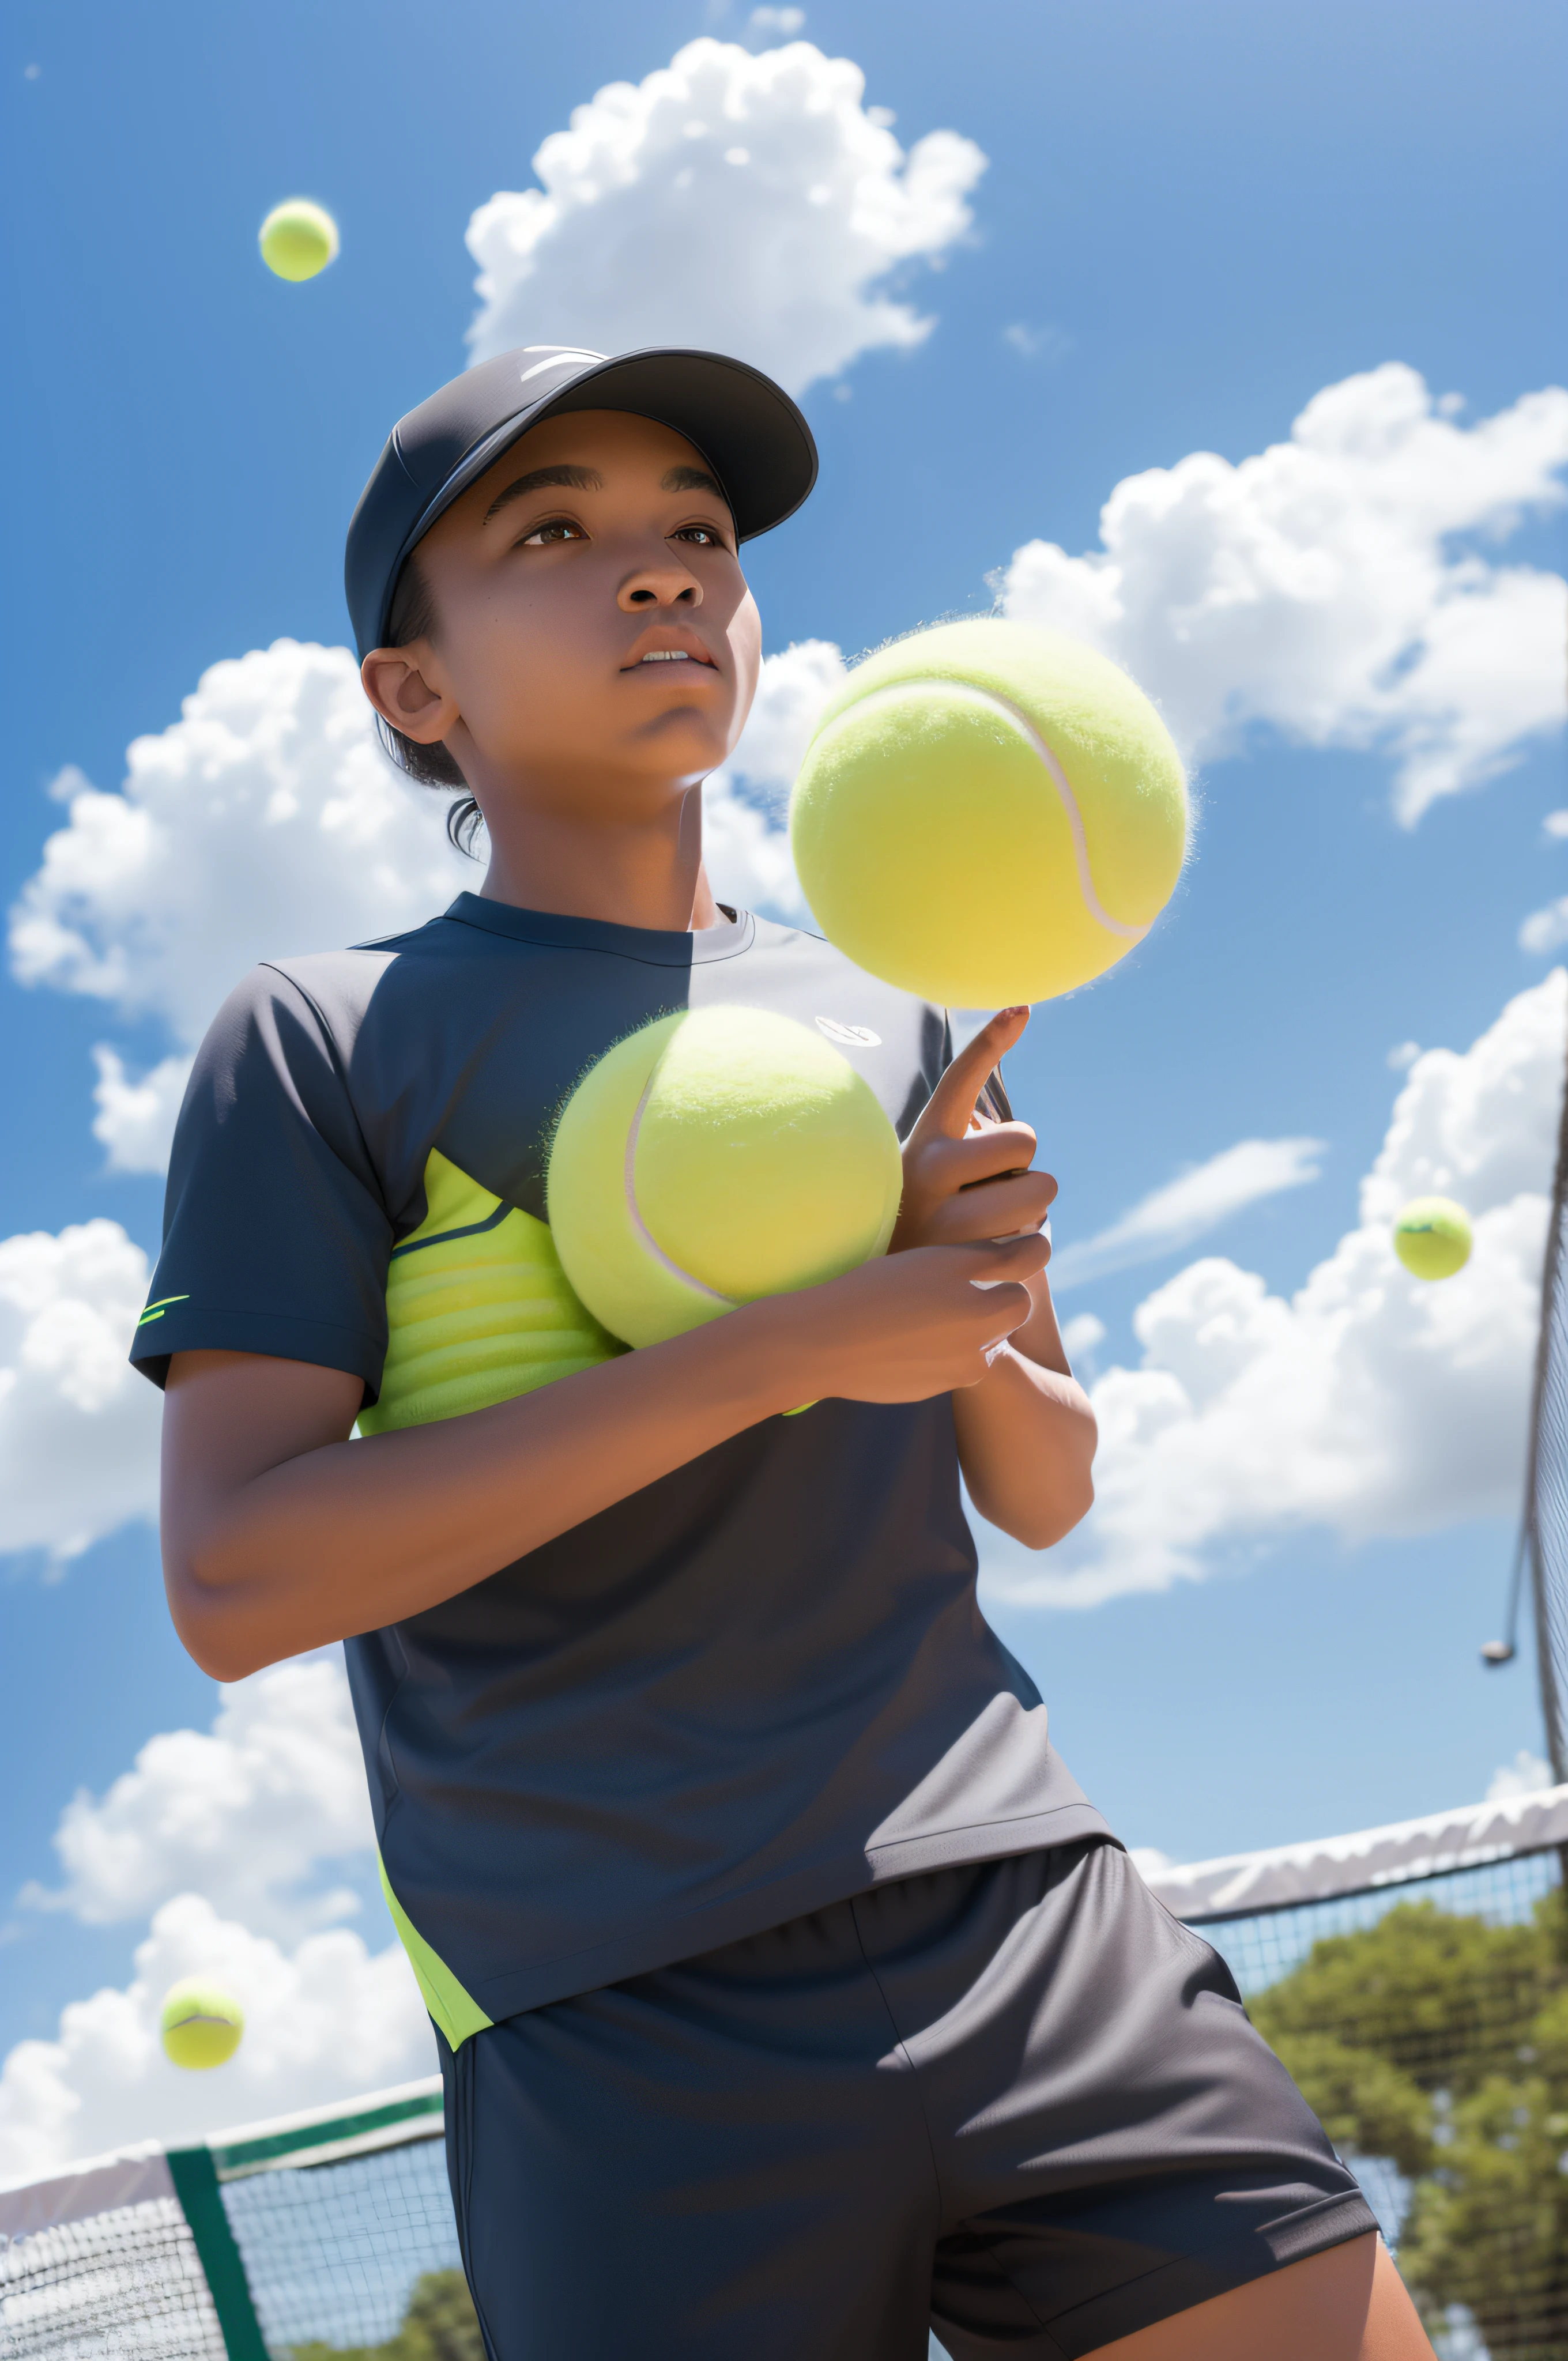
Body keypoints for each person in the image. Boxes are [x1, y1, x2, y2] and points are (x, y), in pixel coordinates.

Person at [140, 345, 1433, 2360]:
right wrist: (784, 1346)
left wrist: (963, 1312)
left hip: (1030, 1912)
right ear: (419, 693)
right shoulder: (318, 1036)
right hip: (612, 2010)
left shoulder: (897, 1014)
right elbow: (237, 1580)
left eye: (698, 532)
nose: (659, 574)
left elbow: (1049, 1483)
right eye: (554, 532)